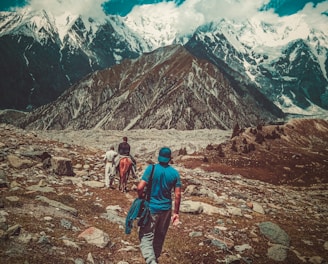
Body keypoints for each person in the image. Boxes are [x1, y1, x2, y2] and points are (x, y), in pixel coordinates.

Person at [137, 147, 182, 264]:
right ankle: (155, 257)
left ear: (159, 157)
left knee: (146, 236)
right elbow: (177, 195)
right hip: (166, 209)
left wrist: (141, 197)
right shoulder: (175, 173)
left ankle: (151, 261)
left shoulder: (151, 169)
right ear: (169, 158)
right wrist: (176, 213)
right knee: (160, 235)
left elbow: (140, 187)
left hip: (152, 208)